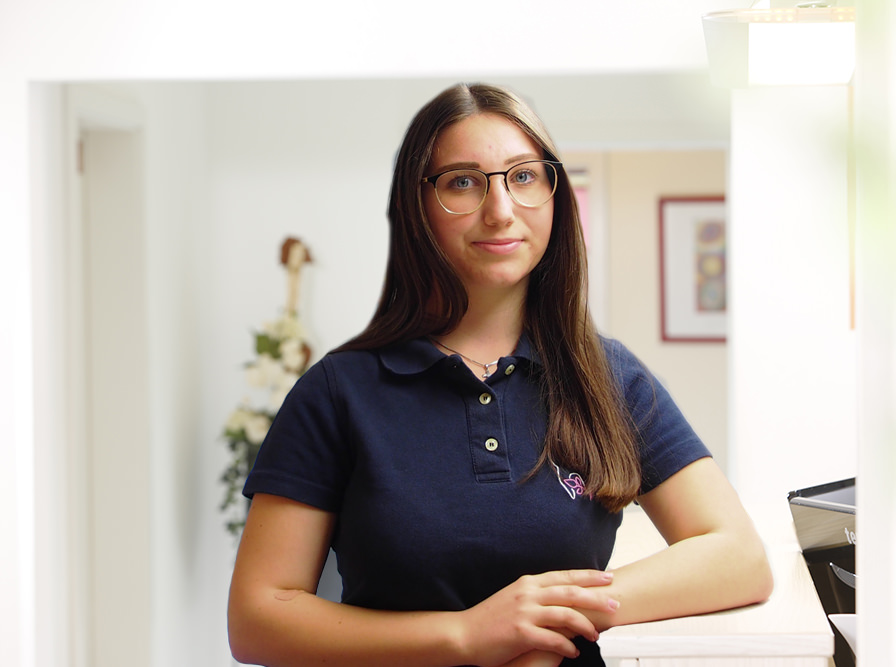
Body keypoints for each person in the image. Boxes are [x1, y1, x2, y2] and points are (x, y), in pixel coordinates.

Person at [227, 82, 773, 667]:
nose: (501, 210)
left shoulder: (607, 377)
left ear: (554, 195)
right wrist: (466, 635)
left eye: (523, 176)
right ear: (416, 207)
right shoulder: (338, 393)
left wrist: (547, 616)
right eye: (462, 181)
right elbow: (259, 617)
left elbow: (738, 555)